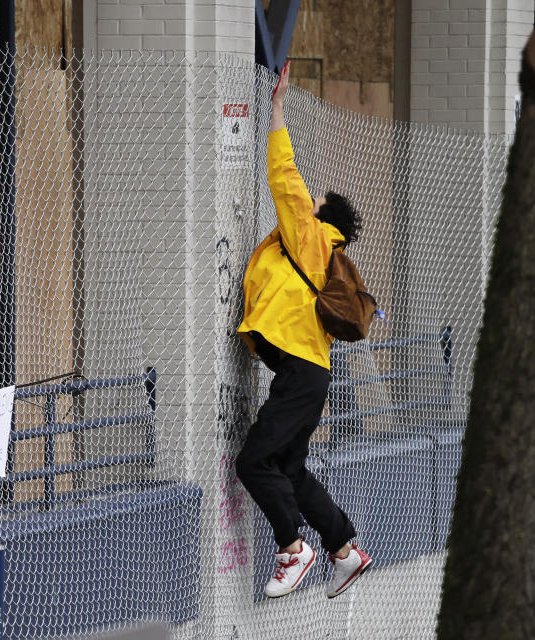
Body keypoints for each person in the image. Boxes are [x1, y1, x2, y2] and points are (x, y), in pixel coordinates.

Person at [236, 61, 371, 600]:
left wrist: (276, 108)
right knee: (289, 469)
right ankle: (344, 549)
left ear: (322, 214)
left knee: (253, 462)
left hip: (301, 373)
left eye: (313, 207)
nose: (305, 207)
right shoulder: (323, 253)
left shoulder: (313, 237)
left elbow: (285, 177)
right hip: (308, 373)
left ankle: (293, 549)